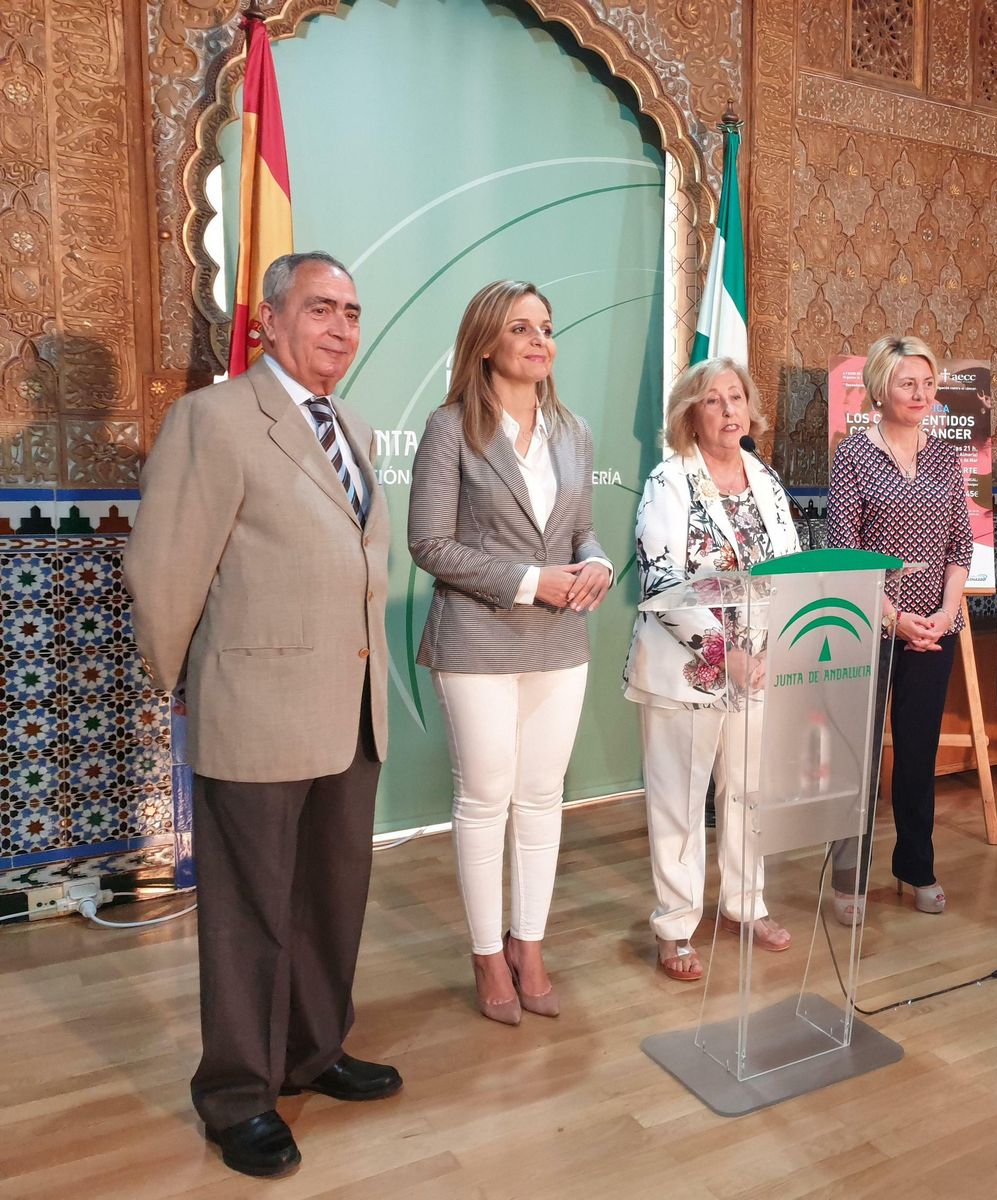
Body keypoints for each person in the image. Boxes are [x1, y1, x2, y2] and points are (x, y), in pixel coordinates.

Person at [125, 251, 398, 1179]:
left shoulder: (353, 425)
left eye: (353, 313)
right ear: (269, 320)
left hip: (350, 714)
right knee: (249, 919)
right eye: (321, 308)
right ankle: (238, 1096)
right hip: (256, 709)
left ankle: (312, 1054)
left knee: (330, 902)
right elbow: (163, 573)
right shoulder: (215, 419)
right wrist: (194, 688)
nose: (341, 328)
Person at [408, 280, 611, 1026]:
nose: (538, 339)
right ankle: (487, 953)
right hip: (477, 637)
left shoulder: (574, 431)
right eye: (521, 327)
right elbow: (428, 544)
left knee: (541, 798)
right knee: (485, 797)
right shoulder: (448, 427)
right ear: (487, 341)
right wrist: (532, 581)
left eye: (546, 327)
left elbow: (581, 531)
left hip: (562, 642)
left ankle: (530, 944)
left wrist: (597, 565)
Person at [622, 358, 801, 981]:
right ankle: (675, 927)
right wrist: (729, 651)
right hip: (688, 670)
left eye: (736, 398)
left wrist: (776, 647)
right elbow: (661, 578)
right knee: (679, 799)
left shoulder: (768, 482)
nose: (729, 411)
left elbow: (791, 573)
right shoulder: (668, 482)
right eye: (713, 401)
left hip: (760, 671)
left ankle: (744, 905)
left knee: (749, 794)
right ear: (690, 416)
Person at [827, 334, 973, 923]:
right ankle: (848, 878)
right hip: (870, 626)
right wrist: (893, 615)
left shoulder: (943, 456)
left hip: (936, 628)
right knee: (856, 756)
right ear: (881, 388)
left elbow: (961, 542)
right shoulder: (854, 455)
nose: (920, 393)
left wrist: (942, 613)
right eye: (908, 383)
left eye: (928, 384)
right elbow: (845, 549)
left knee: (918, 754)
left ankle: (917, 866)